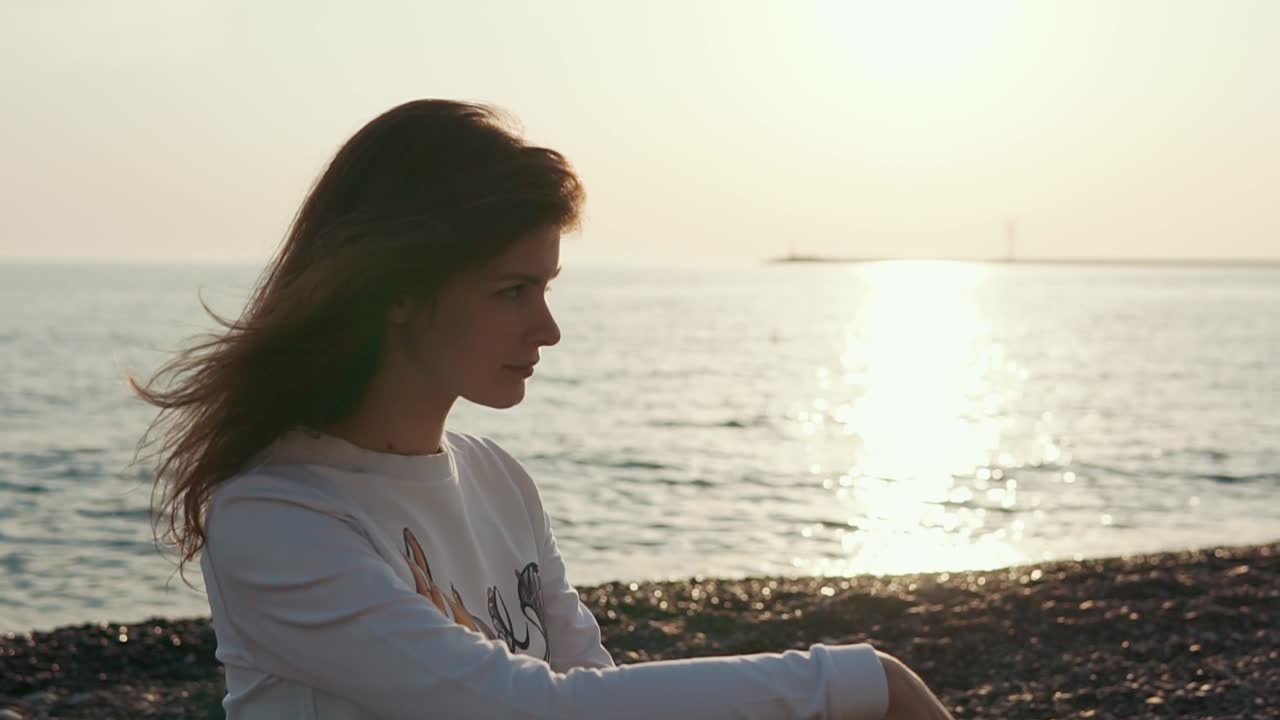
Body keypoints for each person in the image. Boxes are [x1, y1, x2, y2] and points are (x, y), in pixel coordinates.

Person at [131, 99, 955, 719]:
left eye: (546, 288)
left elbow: (589, 694)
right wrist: (855, 678)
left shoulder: (497, 479)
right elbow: (521, 708)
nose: (547, 329)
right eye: (512, 291)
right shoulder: (278, 516)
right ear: (398, 295)